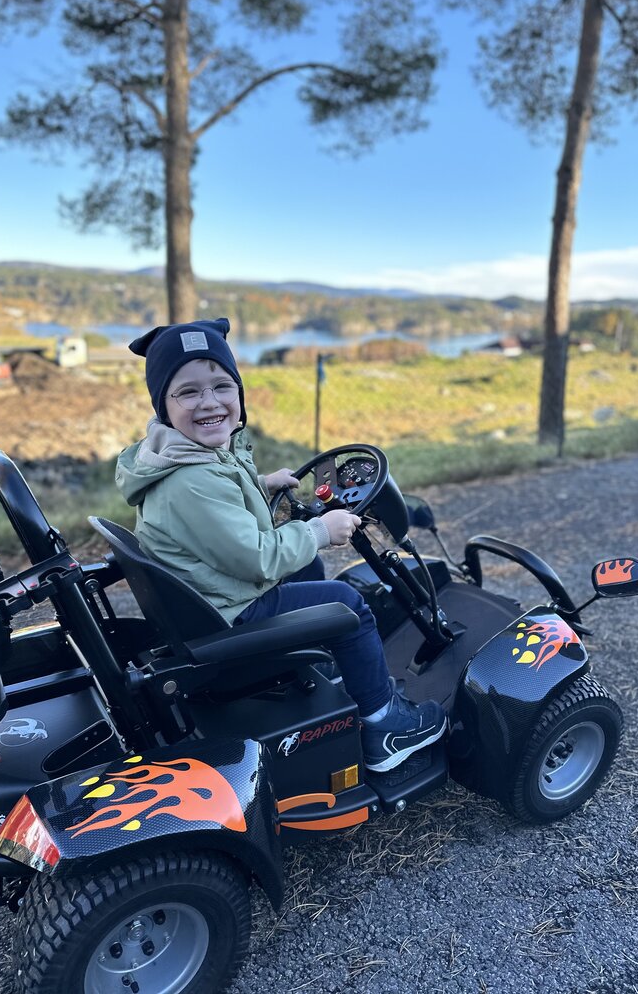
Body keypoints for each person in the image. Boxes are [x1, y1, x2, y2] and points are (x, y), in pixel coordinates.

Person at [116, 318, 446, 772]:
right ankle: (383, 726)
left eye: (221, 386)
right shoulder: (190, 483)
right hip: (229, 616)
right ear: (163, 406)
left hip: (209, 600)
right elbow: (258, 557)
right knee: (349, 606)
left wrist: (261, 483)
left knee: (307, 570)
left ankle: (327, 667)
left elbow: (219, 492)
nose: (209, 402)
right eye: (188, 392)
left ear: (238, 392)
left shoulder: (180, 455)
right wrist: (319, 531)